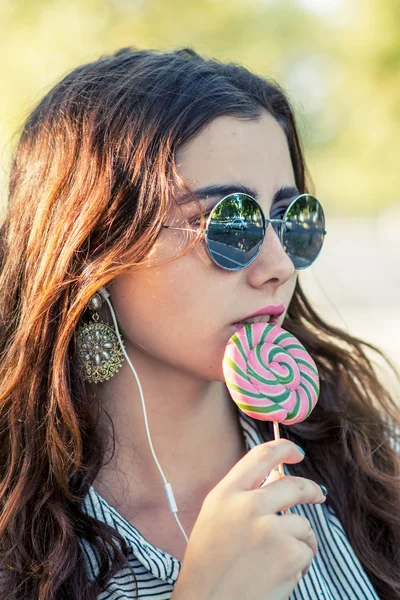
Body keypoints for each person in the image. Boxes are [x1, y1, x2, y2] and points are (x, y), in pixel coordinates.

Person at [0, 46, 399, 600]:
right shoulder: (15, 539)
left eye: (292, 221)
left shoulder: (373, 469)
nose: (279, 266)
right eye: (227, 223)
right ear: (92, 247)